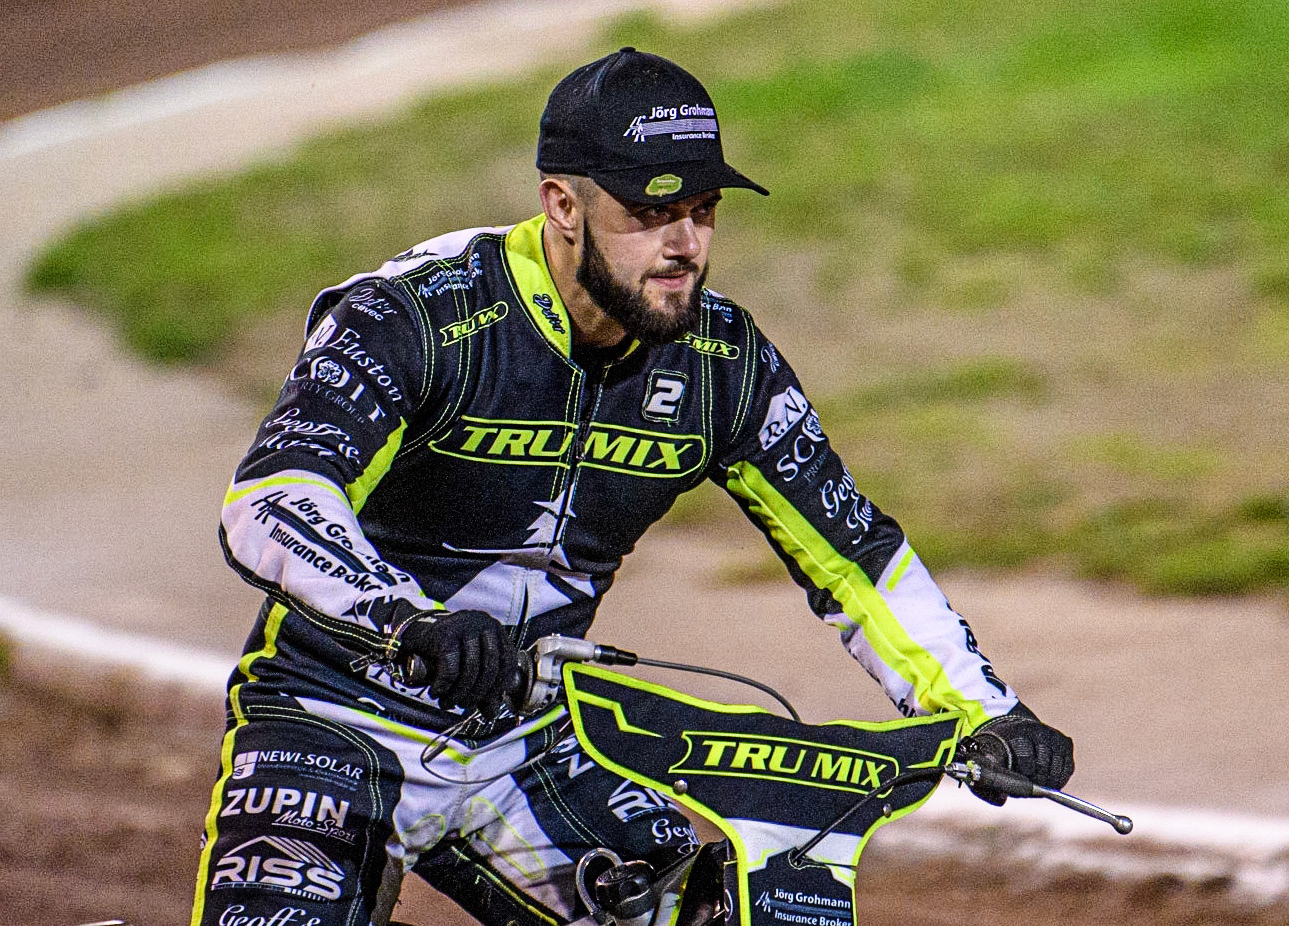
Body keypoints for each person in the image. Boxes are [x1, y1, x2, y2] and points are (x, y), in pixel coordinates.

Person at [192, 48, 1075, 926]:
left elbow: (854, 552)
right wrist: (409, 620)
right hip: (332, 718)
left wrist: (986, 712)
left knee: (710, 915)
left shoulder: (723, 362)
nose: (684, 246)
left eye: (703, 210)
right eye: (651, 213)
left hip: (536, 739)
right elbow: (271, 499)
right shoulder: (421, 313)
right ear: (562, 205)